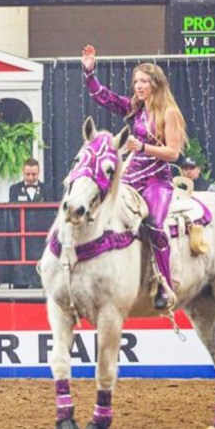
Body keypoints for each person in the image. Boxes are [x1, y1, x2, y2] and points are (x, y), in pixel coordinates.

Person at [82, 44, 187, 310]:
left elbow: (174, 153)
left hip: (156, 180)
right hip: (131, 176)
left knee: (154, 226)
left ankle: (165, 285)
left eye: (143, 81)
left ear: (156, 83)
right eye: (135, 81)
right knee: (104, 212)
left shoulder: (170, 113)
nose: (138, 86)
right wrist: (90, 73)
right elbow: (105, 98)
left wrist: (143, 147)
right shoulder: (136, 109)